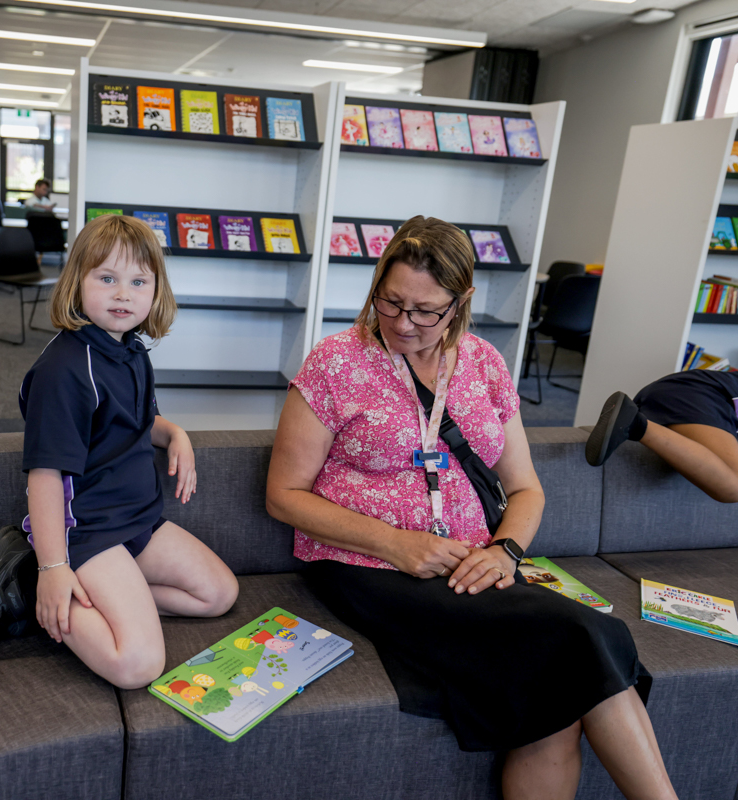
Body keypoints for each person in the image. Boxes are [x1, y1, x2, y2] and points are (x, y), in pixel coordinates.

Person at [266, 216, 677, 800]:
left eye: (426, 310)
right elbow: (283, 495)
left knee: (556, 697)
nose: (404, 323)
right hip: (366, 565)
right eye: (391, 301)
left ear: (462, 301)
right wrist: (397, 543)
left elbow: (527, 489)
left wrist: (507, 550)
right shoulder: (336, 363)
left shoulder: (484, 363)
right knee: (586, 636)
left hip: (471, 564)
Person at [0, 214, 238, 689]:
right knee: (137, 666)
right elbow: (44, 476)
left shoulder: (132, 351)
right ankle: (32, 585)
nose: (123, 293)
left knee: (218, 594)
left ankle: (91, 594)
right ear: (77, 282)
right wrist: (54, 567)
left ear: (154, 291)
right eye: (107, 278)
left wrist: (175, 433)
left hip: (137, 522)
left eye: (138, 281)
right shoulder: (64, 369)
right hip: (87, 531)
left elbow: (135, 424)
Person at [586, 372, 738, 501]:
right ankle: (634, 424)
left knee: (734, 487)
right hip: (703, 396)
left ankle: (634, 420)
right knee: (735, 488)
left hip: (684, 391)